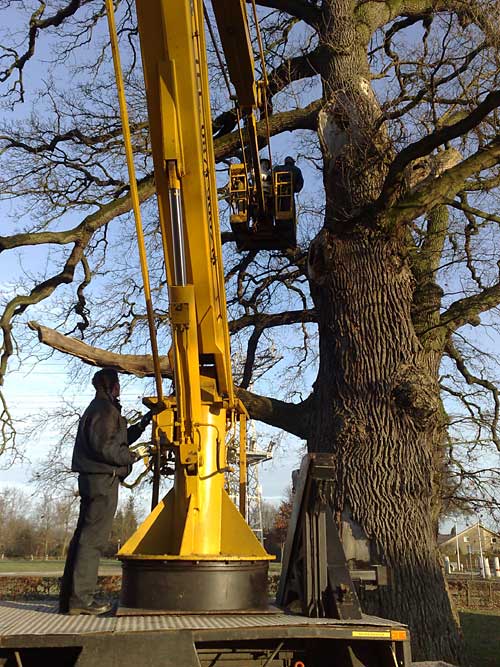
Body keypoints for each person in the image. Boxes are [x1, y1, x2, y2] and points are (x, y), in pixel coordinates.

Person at [59, 367, 152, 616]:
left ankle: (70, 599)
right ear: (111, 385)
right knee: (93, 541)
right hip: (102, 481)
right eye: (118, 383)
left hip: (94, 479)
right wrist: (133, 456)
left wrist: (144, 423)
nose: (120, 388)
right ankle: (81, 601)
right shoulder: (104, 410)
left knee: (83, 537)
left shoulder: (102, 409)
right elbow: (106, 448)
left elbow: (115, 439)